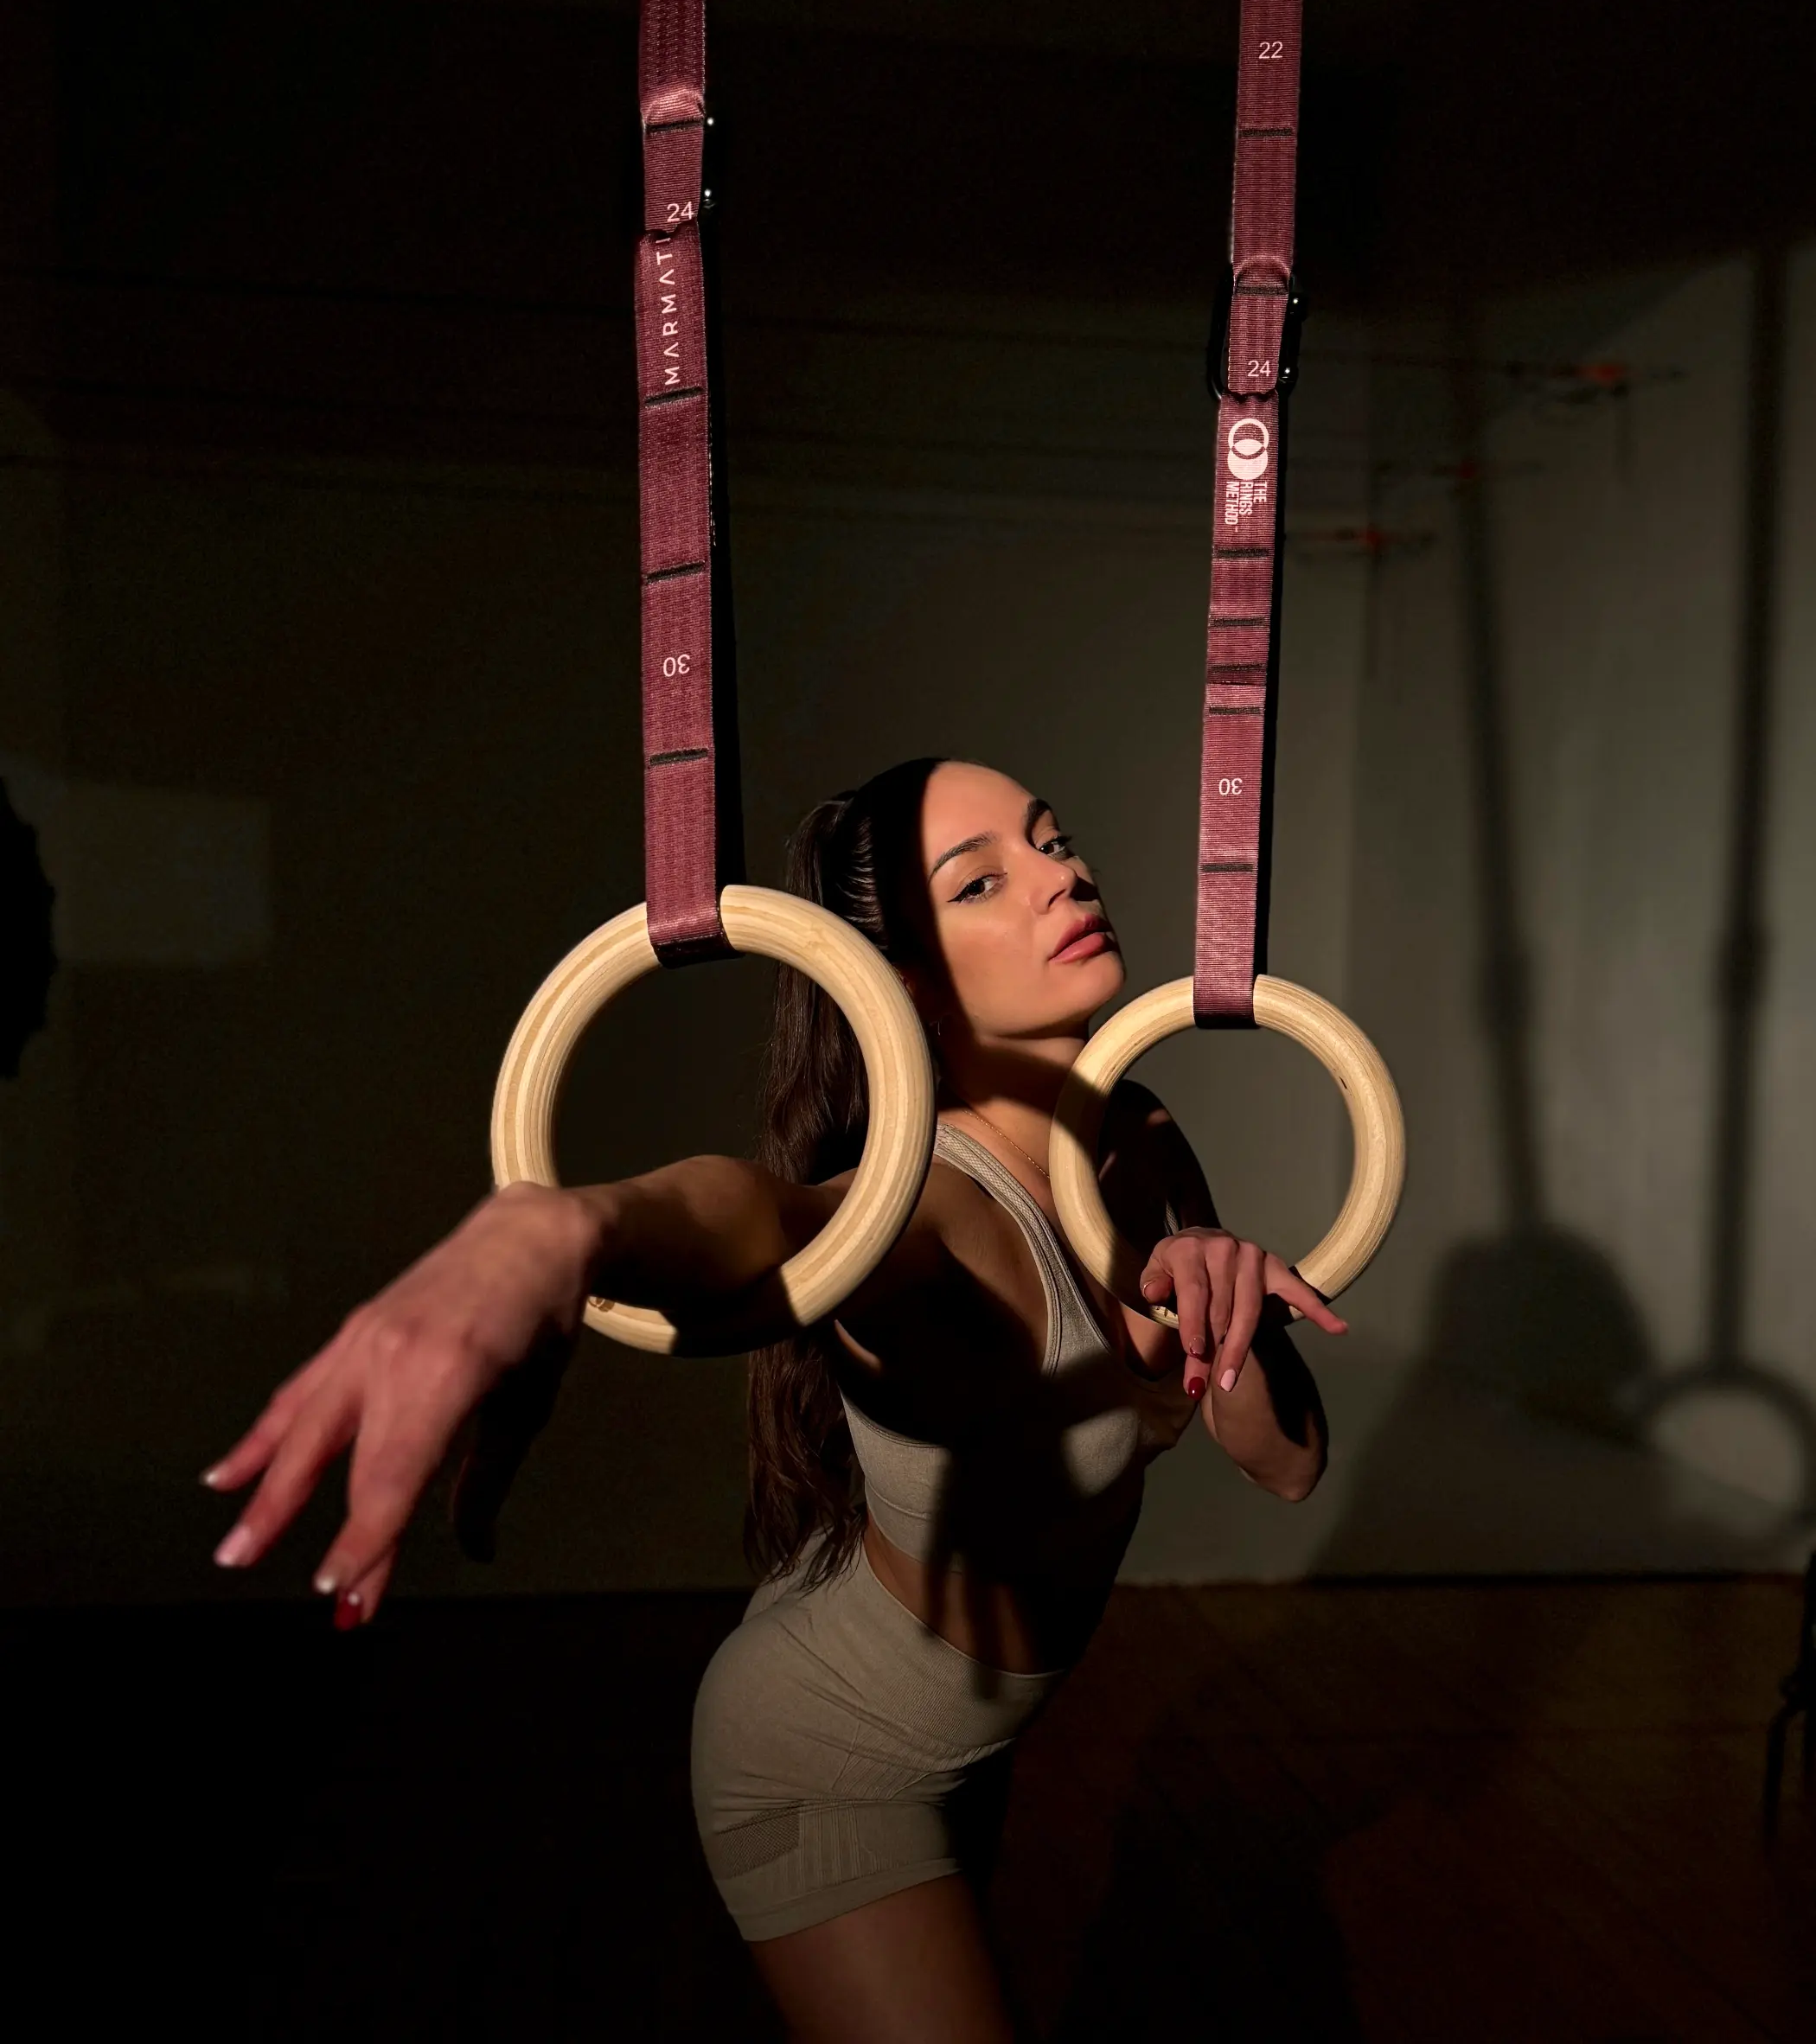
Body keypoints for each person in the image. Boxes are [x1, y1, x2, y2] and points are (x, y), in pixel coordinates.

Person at [204, 755, 1341, 2042]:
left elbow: (1288, 1463)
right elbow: (756, 1212)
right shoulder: (931, 1206)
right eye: (982, 881)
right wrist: (553, 1230)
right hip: (826, 1761)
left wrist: (1227, 1300)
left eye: (1052, 840)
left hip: (962, 1733)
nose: (1062, 874)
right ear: (903, 978)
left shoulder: (1138, 1134)